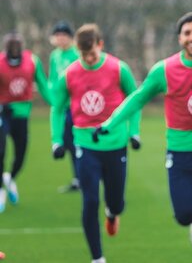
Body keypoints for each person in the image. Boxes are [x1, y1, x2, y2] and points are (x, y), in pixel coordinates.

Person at [95, 12, 192, 263]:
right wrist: (109, 123)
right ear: (180, 39)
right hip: (180, 153)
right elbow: (137, 98)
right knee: (183, 214)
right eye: (187, 33)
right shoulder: (164, 70)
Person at [50, 24, 141, 263]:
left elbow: (135, 100)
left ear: (100, 45)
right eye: (83, 55)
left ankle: (112, 213)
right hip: (85, 145)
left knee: (116, 202)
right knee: (89, 200)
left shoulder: (118, 69)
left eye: (92, 54)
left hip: (115, 143)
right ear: (78, 50)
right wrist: (56, 140)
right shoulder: (69, 74)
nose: (88, 59)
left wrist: (135, 133)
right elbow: (57, 109)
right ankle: (97, 257)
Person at [0, 33, 52, 213]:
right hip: (3, 113)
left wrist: (57, 105)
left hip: (22, 115)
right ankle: (0, 189)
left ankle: (10, 177)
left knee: (21, 154)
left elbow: (44, 87)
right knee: (1, 150)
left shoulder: (32, 62)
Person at [48, 20, 81, 193]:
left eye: (64, 36)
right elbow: (53, 79)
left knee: (79, 141)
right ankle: (78, 178)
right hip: (63, 106)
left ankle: (85, 176)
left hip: (77, 106)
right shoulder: (55, 55)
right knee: (68, 142)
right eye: (58, 36)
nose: (61, 39)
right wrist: (53, 97)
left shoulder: (77, 54)